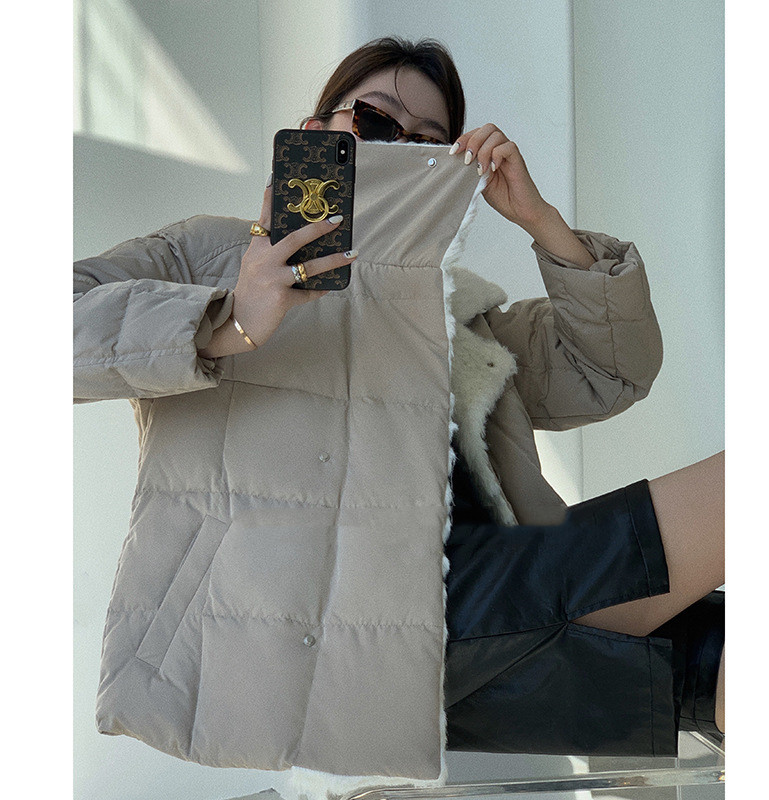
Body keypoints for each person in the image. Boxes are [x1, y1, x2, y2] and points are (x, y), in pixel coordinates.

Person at [74, 35, 724, 791]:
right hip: (331, 630)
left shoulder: (453, 308)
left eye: (426, 144)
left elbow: (609, 369)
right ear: (315, 130)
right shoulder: (204, 257)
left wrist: (542, 221)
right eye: (376, 122)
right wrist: (231, 318)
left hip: (470, 636)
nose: (397, 150)